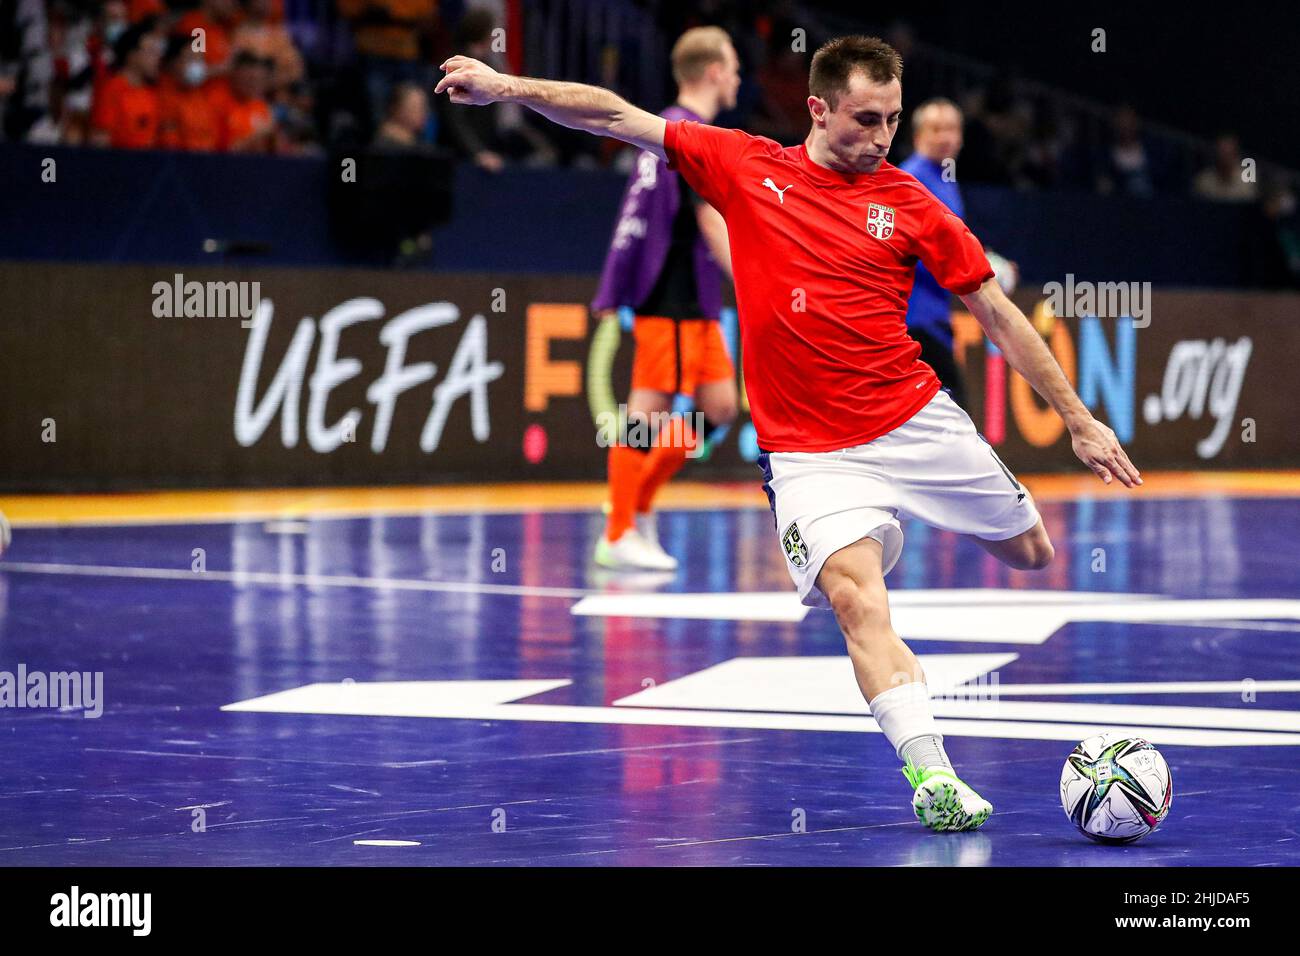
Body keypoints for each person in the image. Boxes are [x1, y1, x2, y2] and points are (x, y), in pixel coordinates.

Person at [435, 34, 1141, 832]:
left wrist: (1080, 421)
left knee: (1031, 552)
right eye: (864, 120)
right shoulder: (745, 164)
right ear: (816, 107)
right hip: (809, 454)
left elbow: (998, 314)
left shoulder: (913, 204)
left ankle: (894, 547)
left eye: (892, 121)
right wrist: (505, 86)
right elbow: (617, 115)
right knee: (855, 599)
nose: (881, 138)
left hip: (913, 418)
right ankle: (934, 776)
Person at [589, 26, 740, 572]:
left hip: (694, 296)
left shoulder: (669, 127)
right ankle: (619, 528)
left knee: (719, 408)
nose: (740, 78)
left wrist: (614, 280)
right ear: (716, 72)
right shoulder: (685, 130)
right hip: (670, 295)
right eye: (735, 67)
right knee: (645, 416)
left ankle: (636, 500)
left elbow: (635, 213)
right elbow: (706, 218)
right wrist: (752, 280)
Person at [900, 98, 1017, 411]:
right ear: (917, 136)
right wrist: (984, 268)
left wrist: (990, 260)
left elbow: (952, 243)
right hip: (913, 323)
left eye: (951, 129)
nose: (945, 137)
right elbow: (916, 251)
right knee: (956, 415)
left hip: (934, 321)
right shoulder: (910, 180)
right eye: (936, 129)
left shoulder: (946, 178)